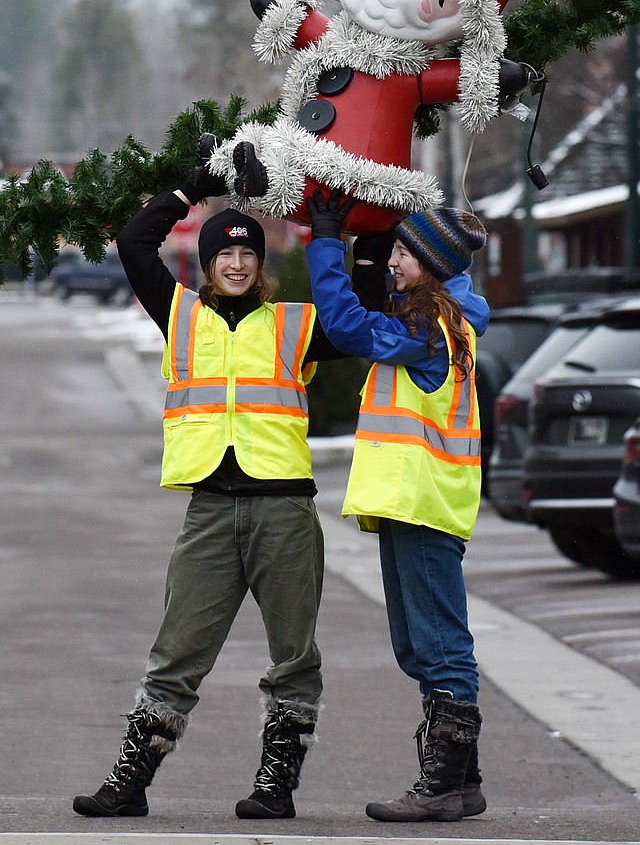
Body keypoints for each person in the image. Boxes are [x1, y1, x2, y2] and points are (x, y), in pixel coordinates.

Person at [72, 141, 385, 822]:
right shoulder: (180, 314)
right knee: (176, 649)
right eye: (224, 254)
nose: (238, 262)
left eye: (248, 253)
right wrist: (198, 189)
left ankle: (277, 784)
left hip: (284, 515)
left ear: (260, 262)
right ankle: (132, 780)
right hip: (210, 512)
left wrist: (347, 234)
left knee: (293, 657)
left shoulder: (297, 325)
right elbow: (134, 242)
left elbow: (365, 313)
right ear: (208, 263)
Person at [304, 188, 490, 823]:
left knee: (438, 643)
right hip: (413, 500)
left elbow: (346, 325)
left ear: (434, 266)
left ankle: (441, 786)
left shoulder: (429, 328)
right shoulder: (433, 318)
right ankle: (462, 781)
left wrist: (326, 243)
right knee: (420, 644)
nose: (396, 261)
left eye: (407, 253)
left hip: (422, 500)